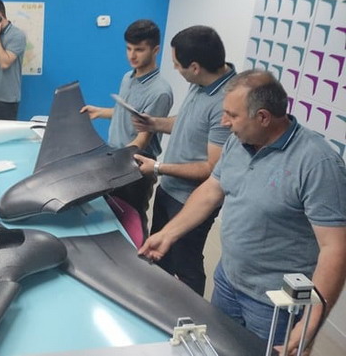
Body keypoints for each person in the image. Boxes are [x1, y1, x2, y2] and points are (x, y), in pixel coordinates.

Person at [139, 70, 346, 355]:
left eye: (232, 115)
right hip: (228, 281)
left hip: (274, 303)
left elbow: (335, 248)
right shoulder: (238, 141)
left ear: (263, 117)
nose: (224, 122)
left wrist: (311, 321)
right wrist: (168, 233)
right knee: (220, 349)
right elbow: (212, 190)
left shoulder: (318, 163)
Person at [133, 25, 236, 296]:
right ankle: (158, 305)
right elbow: (190, 123)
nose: (176, 69)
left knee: (185, 264)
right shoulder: (201, 84)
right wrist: (155, 123)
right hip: (169, 191)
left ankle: (188, 316)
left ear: (195, 67)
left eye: (178, 65)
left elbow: (212, 169)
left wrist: (157, 167)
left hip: (191, 201)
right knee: (159, 256)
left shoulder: (227, 103)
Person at [80, 20, 173, 228]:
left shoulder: (160, 91)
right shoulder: (127, 77)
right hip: (117, 158)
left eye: (139, 50)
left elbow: (142, 139)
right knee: (112, 216)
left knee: (132, 220)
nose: (132, 55)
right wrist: (100, 112)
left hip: (136, 165)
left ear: (155, 50)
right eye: (129, 48)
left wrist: (111, 161)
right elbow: (126, 114)